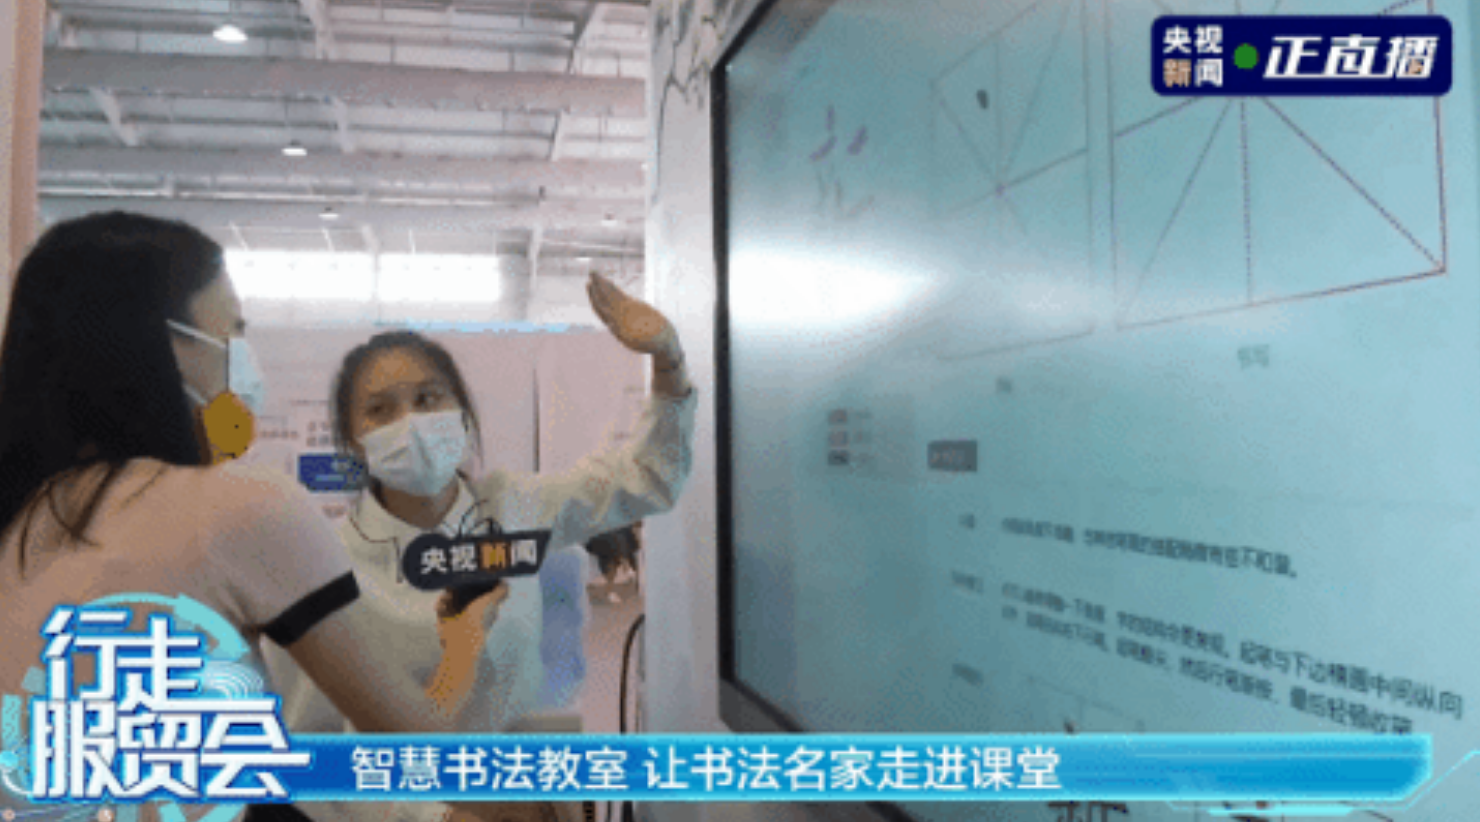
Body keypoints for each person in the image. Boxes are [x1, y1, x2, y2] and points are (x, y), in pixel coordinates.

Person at [0, 212, 510, 822]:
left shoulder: (24, 517)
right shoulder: (241, 508)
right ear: (166, 344)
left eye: (428, 399)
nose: (245, 363)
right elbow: (414, 747)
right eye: (234, 333)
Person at [259, 275, 697, 822]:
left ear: (463, 414)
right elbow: (308, 753)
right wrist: (431, 817)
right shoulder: (322, 567)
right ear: (352, 440)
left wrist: (669, 363)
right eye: (380, 410)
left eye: (427, 399)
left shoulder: (514, 509)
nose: (411, 424)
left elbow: (648, 477)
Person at [585, 524, 642, 603]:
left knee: (622, 533)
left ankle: (625, 562)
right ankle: (625, 563)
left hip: (614, 536)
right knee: (612, 541)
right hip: (597, 536)